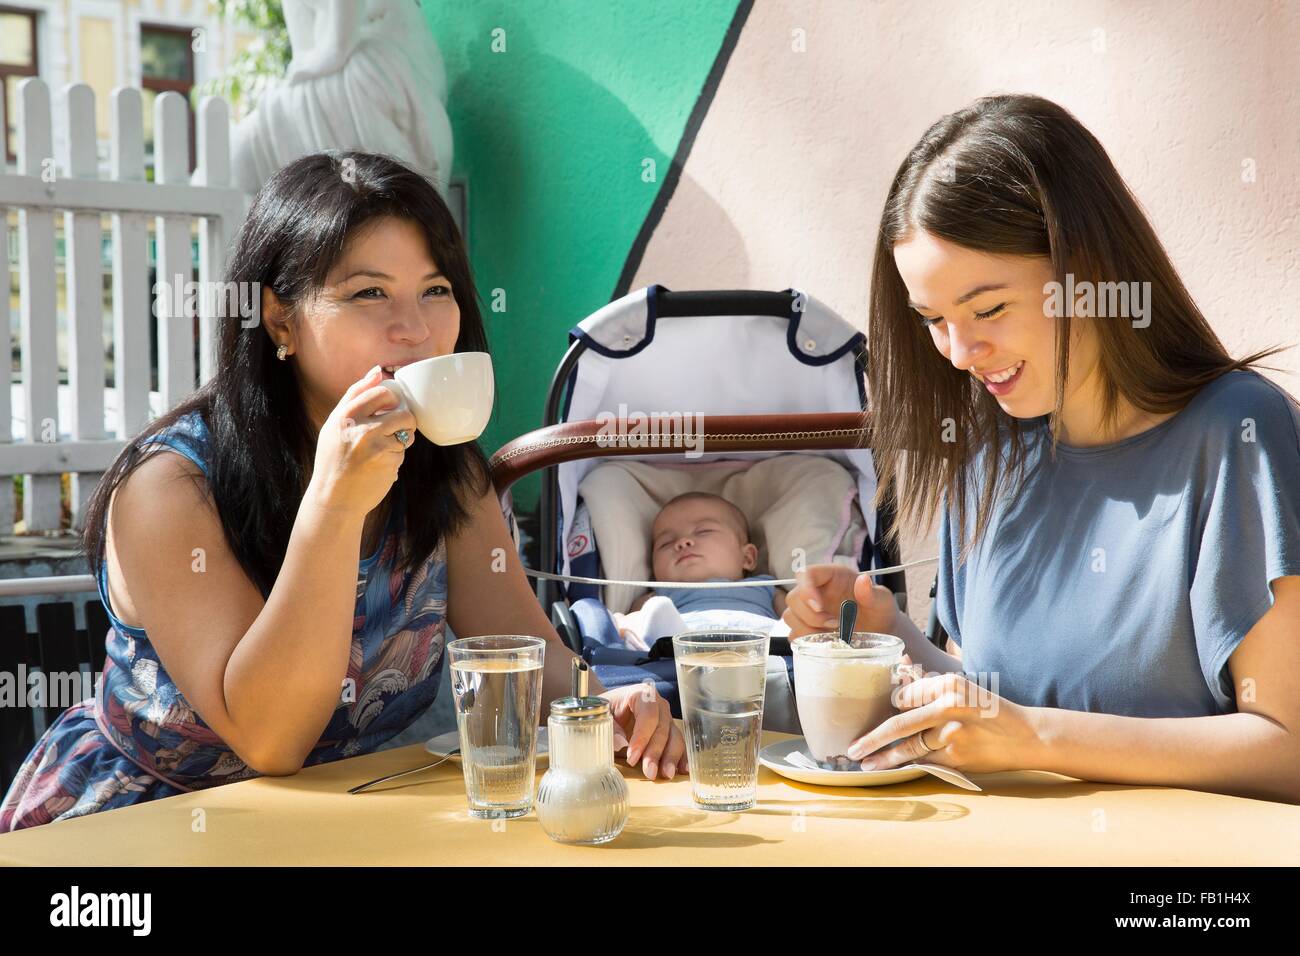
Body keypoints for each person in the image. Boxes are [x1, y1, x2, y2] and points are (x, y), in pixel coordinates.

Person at [0, 151, 685, 831]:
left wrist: (610, 704)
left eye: (436, 289)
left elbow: (533, 668)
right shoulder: (170, 488)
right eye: (369, 293)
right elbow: (270, 739)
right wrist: (334, 505)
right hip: (155, 825)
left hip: (356, 817)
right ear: (280, 322)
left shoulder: (445, 471)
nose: (414, 328)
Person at [783, 94, 1300, 804]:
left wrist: (1037, 738)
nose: (961, 353)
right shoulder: (988, 452)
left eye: (989, 308)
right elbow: (991, 706)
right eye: (934, 319)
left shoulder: (1239, 432)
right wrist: (890, 633)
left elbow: (1288, 746)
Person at [613, 492, 787, 649]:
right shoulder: (658, 596)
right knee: (650, 615)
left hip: (762, 642)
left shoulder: (766, 587)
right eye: (666, 542)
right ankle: (663, 634)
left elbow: (795, 614)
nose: (683, 542)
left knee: (790, 625)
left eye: (703, 531)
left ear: (747, 558)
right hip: (683, 642)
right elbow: (629, 625)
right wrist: (623, 622)